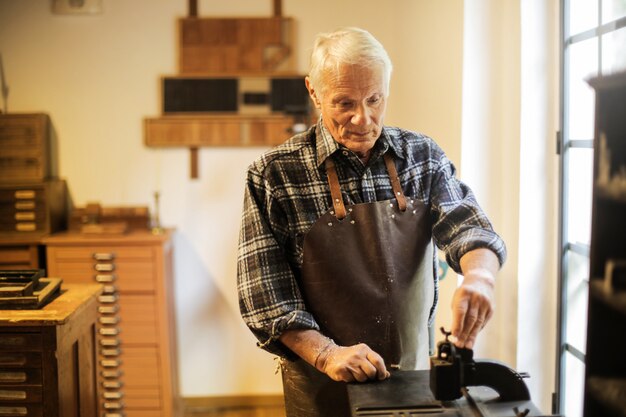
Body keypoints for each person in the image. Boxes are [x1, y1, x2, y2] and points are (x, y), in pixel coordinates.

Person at [237, 27, 506, 417]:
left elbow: (469, 226)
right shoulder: (273, 174)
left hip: (411, 379)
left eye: (375, 99)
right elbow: (266, 298)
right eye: (344, 102)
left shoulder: (422, 156)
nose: (363, 118)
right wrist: (327, 354)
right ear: (313, 92)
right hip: (320, 386)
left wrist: (480, 277)